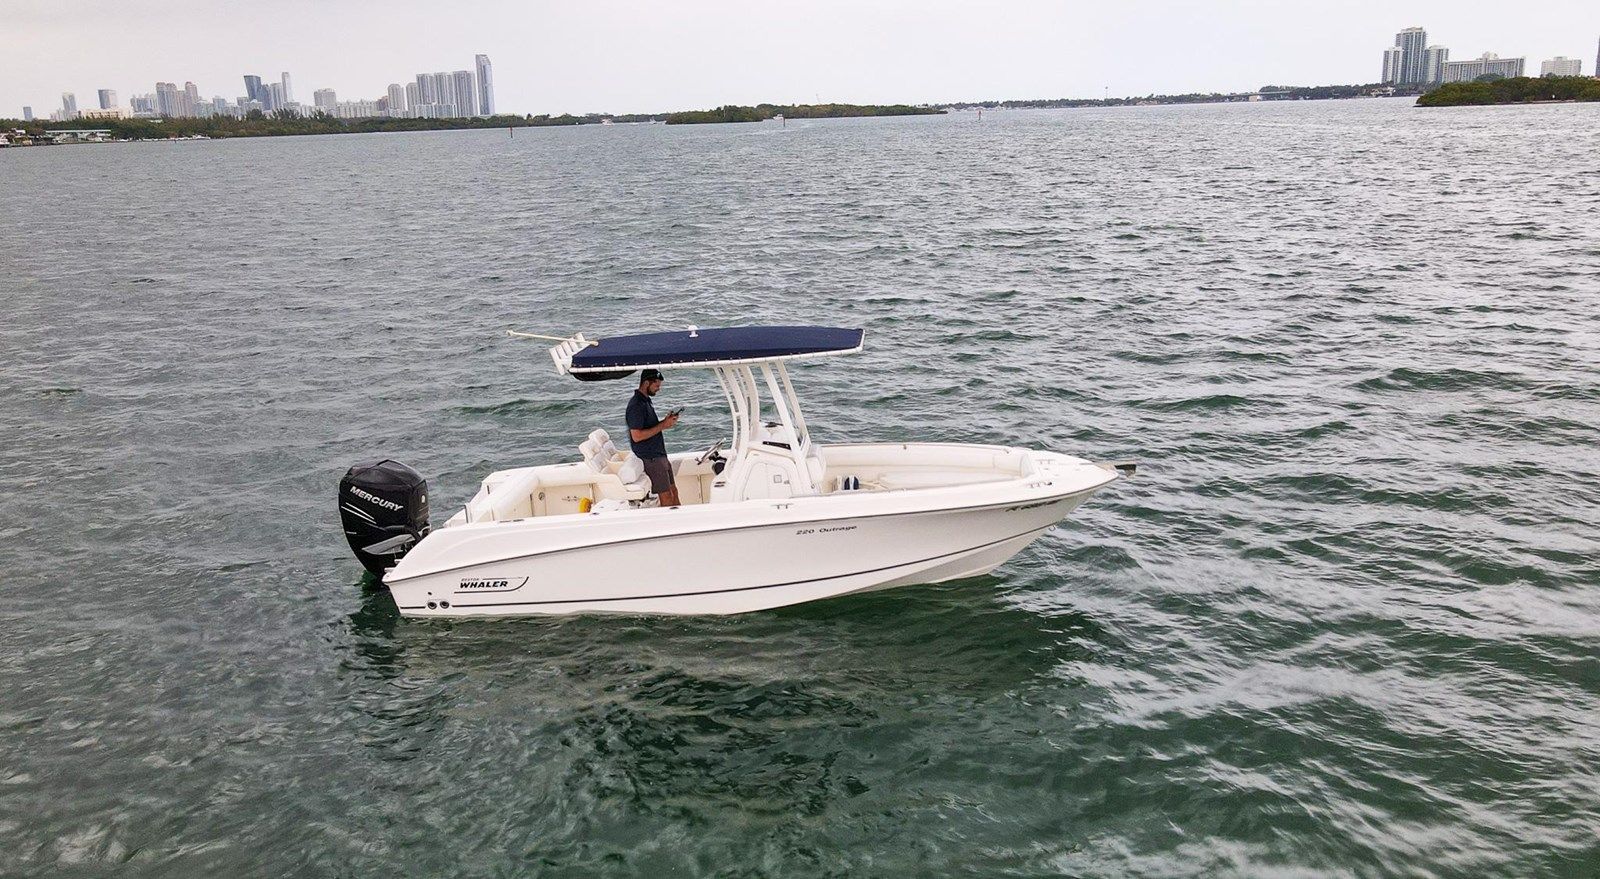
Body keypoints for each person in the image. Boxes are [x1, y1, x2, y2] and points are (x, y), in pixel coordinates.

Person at [626, 368, 681, 507]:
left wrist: (665, 422)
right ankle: (670, 521)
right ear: (646, 383)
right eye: (656, 385)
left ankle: (681, 518)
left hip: (659, 454)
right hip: (651, 458)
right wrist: (663, 425)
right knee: (666, 496)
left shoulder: (646, 401)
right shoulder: (636, 405)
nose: (658, 389)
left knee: (674, 491)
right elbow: (636, 436)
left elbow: (650, 427)